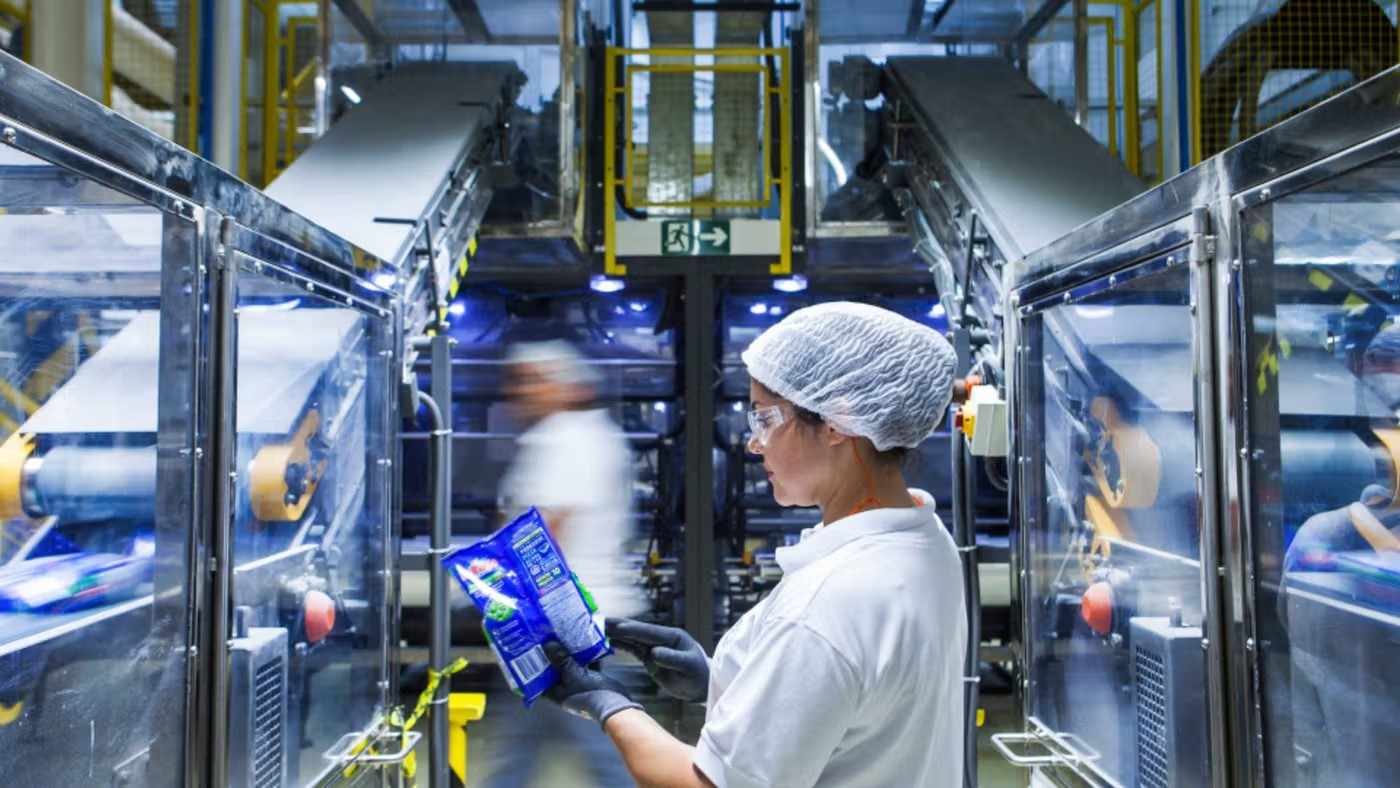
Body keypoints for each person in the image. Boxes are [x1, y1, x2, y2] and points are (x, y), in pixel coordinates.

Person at [539, 301, 967, 787]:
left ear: (837, 421)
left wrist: (607, 703)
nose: (752, 443)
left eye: (765, 419)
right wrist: (714, 676)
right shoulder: (927, 541)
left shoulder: (826, 606)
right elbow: (853, 702)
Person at [473, 338, 645, 788]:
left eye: (534, 381)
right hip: (565, 622)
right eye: (518, 381)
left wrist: (493, 591)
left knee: (599, 749)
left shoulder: (569, 439)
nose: (521, 391)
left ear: (570, 387)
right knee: (526, 746)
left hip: (564, 628)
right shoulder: (579, 436)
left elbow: (543, 535)